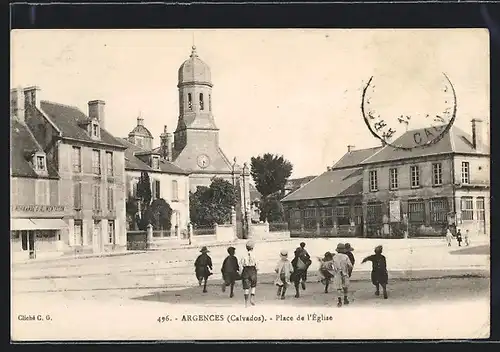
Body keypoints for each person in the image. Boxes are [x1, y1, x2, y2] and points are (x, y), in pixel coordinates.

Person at [332, 243, 353, 307]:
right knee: (345, 287)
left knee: (338, 288)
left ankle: (339, 301)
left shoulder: (334, 257)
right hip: (344, 273)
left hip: (337, 273)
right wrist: (349, 272)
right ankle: (345, 299)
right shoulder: (345, 256)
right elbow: (350, 266)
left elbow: (333, 266)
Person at [240, 240, 258, 307]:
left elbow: (241, 264)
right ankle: (252, 298)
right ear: (253, 248)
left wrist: (241, 272)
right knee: (253, 285)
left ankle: (246, 302)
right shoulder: (254, 255)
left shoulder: (244, 255)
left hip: (246, 270)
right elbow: (257, 264)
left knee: (246, 287)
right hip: (253, 270)